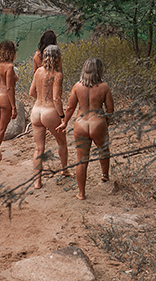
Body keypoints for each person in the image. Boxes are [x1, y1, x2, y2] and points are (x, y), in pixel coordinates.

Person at [63, 58, 115, 200]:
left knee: (81, 159)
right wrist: (106, 122)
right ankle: (105, 175)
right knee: (103, 150)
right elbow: (110, 109)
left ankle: (81, 193)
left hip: (80, 123)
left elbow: (70, 107)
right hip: (97, 122)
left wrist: (64, 122)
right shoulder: (104, 87)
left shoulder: (77, 86)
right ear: (99, 70)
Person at [27, 44, 68, 189]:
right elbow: (57, 99)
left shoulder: (38, 71)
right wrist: (62, 116)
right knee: (62, 142)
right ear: (58, 58)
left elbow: (31, 92)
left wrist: (40, 100)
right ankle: (64, 170)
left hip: (36, 111)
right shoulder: (57, 75)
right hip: (49, 112)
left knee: (39, 148)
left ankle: (38, 182)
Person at [0, 40, 19, 151]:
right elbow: (9, 88)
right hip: (4, 98)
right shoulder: (9, 67)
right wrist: (13, 107)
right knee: (1, 129)